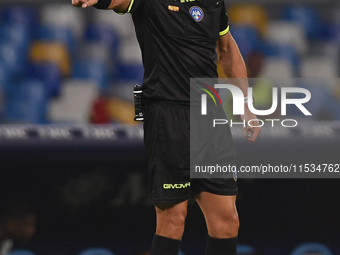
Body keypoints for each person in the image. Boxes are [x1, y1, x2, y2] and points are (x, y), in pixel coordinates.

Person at [72, 0, 261, 254]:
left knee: (227, 221)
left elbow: (226, 50)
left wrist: (246, 106)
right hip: (167, 115)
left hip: (209, 113)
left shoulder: (214, 2)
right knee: (173, 220)